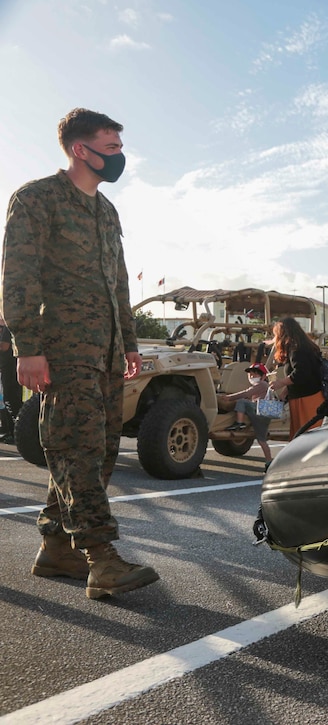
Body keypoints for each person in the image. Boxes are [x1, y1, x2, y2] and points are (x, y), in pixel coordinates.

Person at [3, 107, 158, 598]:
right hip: (62, 349)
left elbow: (118, 287)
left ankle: (57, 549)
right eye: (110, 148)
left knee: (101, 449)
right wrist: (27, 348)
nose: (119, 157)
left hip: (106, 353)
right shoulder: (36, 199)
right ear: (79, 149)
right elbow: (17, 276)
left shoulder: (106, 212)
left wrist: (129, 345)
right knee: (77, 450)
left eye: (118, 148)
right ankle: (102, 559)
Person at [267, 317, 324, 439]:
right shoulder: (302, 346)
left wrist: (281, 383)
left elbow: (301, 373)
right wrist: (286, 391)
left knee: (306, 437)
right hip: (308, 396)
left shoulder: (296, 349)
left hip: (306, 398)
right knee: (307, 436)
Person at [218, 362, 273, 471]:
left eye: (255, 374)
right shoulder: (264, 386)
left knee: (241, 402)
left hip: (259, 411)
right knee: (261, 440)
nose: (252, 377)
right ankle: (269, 462)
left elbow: (245, 393)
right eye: (250, 375)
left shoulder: (262, 385)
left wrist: (229, 398)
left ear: (263, 376)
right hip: (263, 414)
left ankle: (240, 423)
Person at [0, 315, 22, 443]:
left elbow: (4, 346)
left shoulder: (9, 327)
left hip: (10, 368)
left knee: (11, 401)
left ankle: (16, 433)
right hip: (9, 367)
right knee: (9, 400)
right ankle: (12, 432)